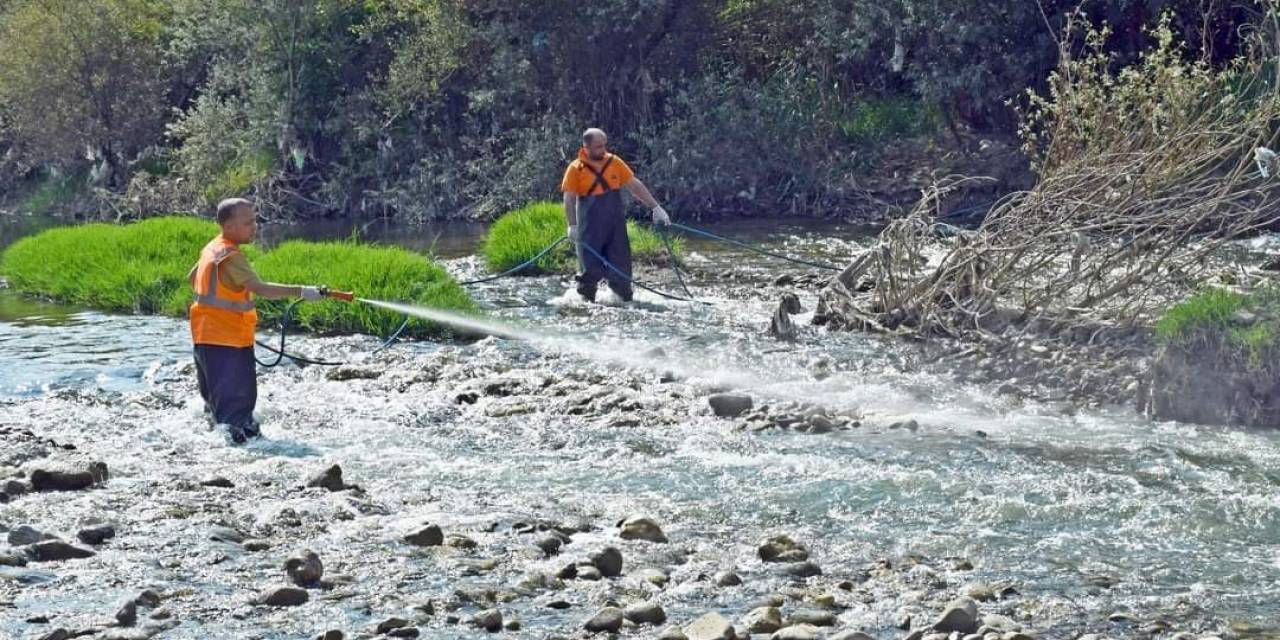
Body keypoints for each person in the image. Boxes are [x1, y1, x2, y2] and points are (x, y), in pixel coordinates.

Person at [186, 198, 330, 444]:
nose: (255, 226)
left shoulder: (212, 249)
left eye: (255, 220)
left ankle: (223, 453)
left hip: (205, 339)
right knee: (238, 413)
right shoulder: (230, 256)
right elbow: (260, 289)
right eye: (248, 222)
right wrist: (303, 291)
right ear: (229, 226)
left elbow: (192, 278)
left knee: (216, 409)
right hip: (228, 343)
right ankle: (246, 457)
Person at [561, 127, 671, 302]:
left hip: (615, 229)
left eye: (604, 145)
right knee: (589, 274)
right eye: (598, 147)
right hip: (589, 231)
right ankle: (585, 307)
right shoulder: (575, 169)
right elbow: (569, 199)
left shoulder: (614, 162)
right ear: (586, 147)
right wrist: (572, 225)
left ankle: (623, 304)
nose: (603, 150)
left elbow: (635, 185)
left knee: (622, 272)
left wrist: (656, 208)